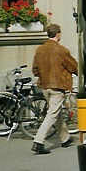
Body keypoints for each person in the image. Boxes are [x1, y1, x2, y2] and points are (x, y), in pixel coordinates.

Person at [31, 23, 78, 155]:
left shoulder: (40, 49)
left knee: (55, 112)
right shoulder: (61, 50)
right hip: (58, 86)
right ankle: (38, 141)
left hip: (45, 86)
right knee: (52, 114)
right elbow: (73, 66)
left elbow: (35, 69)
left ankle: (65, 138)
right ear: (58, 34)